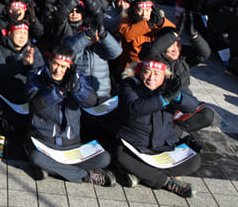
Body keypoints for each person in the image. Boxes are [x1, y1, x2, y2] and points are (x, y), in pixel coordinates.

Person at [25, 45, 115, 186]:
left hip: (71, 144)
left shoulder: (78, 78)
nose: (58, 70)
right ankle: (85, 175)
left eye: (63, 67)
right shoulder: (36, 75)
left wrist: (76, 88)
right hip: (45, 142)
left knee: (104, 158)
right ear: (50, 61)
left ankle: (53, 170)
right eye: (55, 64)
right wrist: (59, 91)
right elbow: (36, 104)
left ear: (70, 67)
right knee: (37, 158)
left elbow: (91, 102)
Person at [115, 58, 201, 198]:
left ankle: (142, 174)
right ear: (140, 71)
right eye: (147, 72)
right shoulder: (129, 84)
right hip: (136, 145)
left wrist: (177, 96)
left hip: (163, 146)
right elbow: (134, 108)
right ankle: (166, 181)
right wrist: (163, 98)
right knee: (121, 155)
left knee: (194, 160)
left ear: (164, 76)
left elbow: (192, 106)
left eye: (157, 74)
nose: (151, 78)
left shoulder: (169, 86)